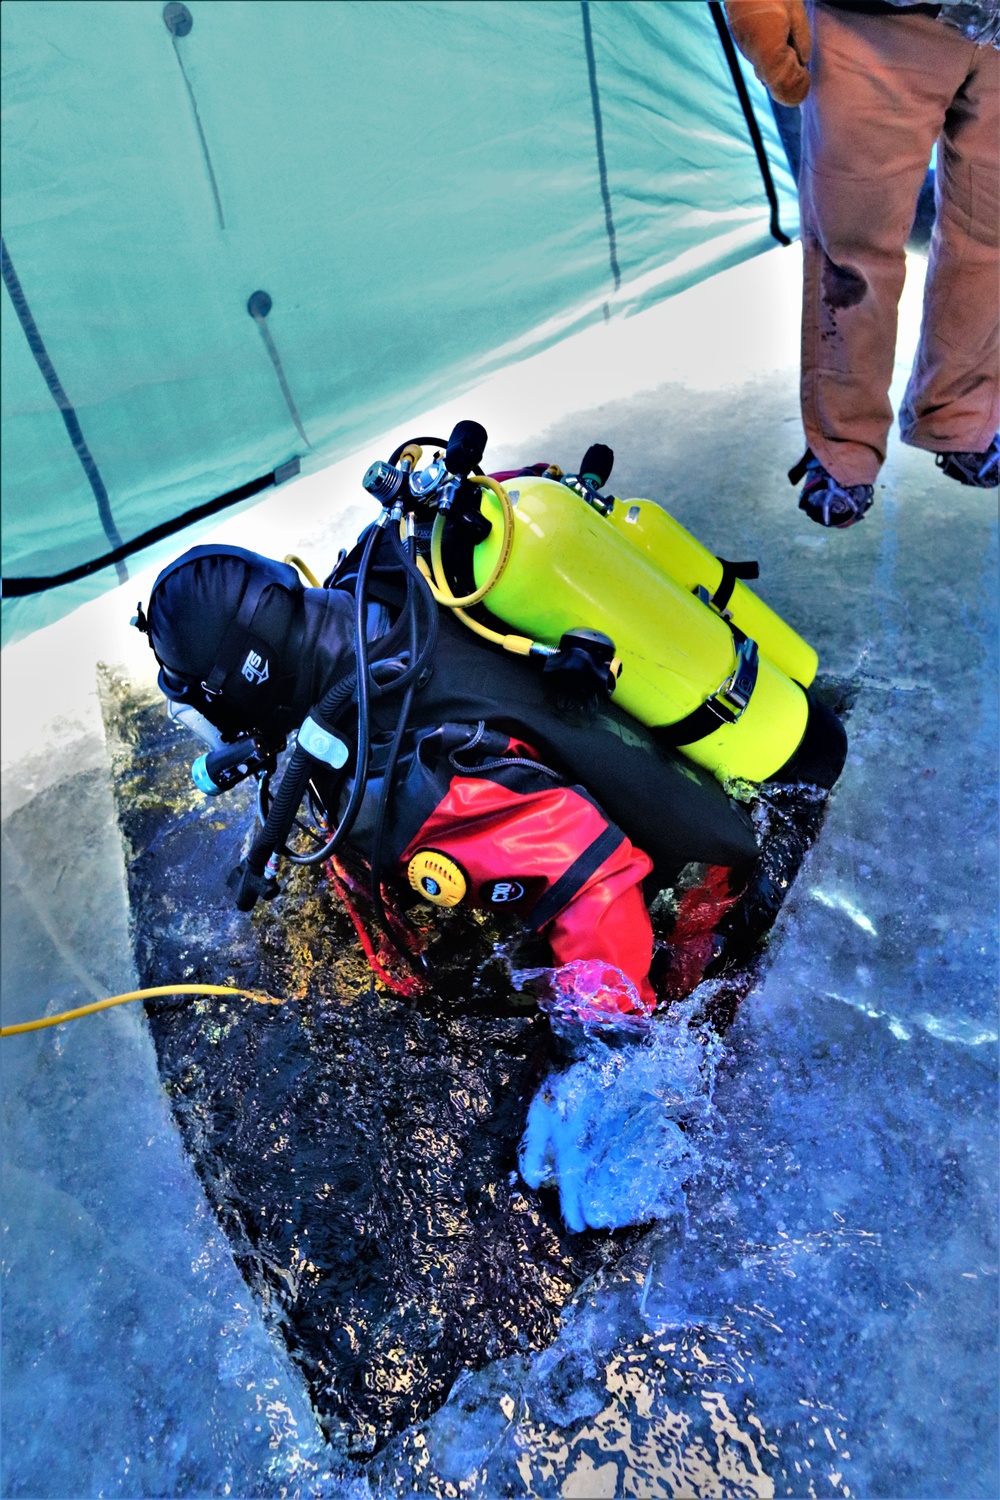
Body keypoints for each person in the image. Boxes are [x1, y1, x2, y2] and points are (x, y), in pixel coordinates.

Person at [725, 0, 1000, 526]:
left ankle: (961, 414)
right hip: (876, 21)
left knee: (991, 237)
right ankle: (843, 447)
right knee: (854, 250)